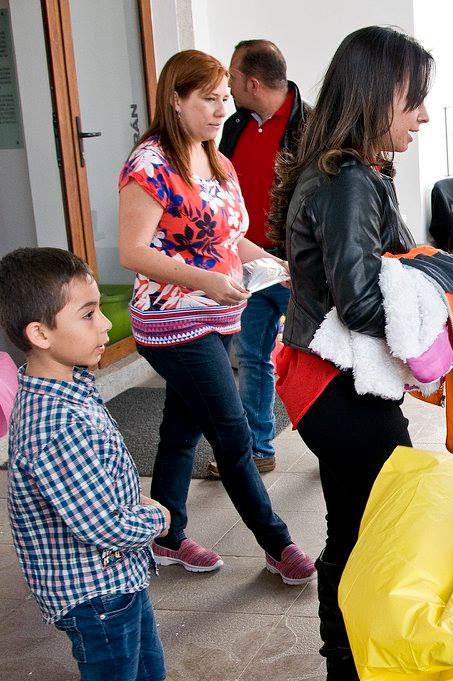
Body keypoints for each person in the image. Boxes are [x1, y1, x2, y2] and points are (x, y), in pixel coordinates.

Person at [268, 26, 453, 681]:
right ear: (379, 95)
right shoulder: (347, 179)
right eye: (415, 102)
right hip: (334, 384)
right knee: (383, 534)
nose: (424, 116)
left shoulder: (351, 171)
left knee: (354, 527)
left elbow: (407, 255)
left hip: (323, 380)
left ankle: (346, 673)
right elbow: (365, 298)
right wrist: (440, 317)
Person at [117, 50, 314, 584]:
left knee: (180, 430)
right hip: (169, 323)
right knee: (230, 431)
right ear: (175, 101)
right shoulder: (150, 165)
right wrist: (205, 280)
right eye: (209, 99)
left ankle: (166, 535)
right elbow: (132, 252)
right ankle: (278, 543)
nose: (221, 109)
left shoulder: (216, 158)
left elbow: (229, 239)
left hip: (215, 315)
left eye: (225, 97)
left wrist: (274, 265)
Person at [0, 247, 172, 681]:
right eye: (89, 314)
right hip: (95, 593)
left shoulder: (69, 382)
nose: (104, 326)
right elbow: (103, 527)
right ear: (40, 334)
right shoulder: (55, 424)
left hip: (117, 579)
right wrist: (154, 518)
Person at [206, 39, 309, 478]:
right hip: (246, 265)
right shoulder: (234, 126)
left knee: (317, 359)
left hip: (297, 269)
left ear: (251, 81)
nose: (228, 85)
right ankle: (257, 450)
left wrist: (302, 262)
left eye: (231, 76)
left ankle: (335, 447)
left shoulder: (312, 125)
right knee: (251, 356)